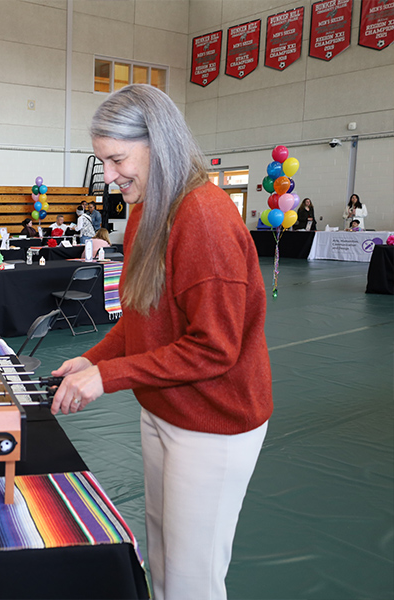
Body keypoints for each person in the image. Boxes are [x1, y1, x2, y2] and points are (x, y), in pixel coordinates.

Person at [51, 85, 271, 600]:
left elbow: (215, 348)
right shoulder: (147, 214)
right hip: (164, 411)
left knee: (193, 578)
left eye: (117, 159)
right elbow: (141, 321)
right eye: (102, 161)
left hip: (214, 423)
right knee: (164, 560)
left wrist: (105, 377)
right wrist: (91, 357)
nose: (108, 176)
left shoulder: (205, 217)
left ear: (158, 143)